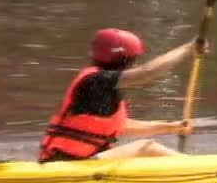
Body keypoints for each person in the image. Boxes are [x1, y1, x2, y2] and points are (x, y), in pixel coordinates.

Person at [39, 28, 206, 163]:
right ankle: (202, 170)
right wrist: (187, 49)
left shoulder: (97, 85)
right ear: (125, 59)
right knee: (146, 148)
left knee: (145, 155)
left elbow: (121, 127)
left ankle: (192, 166)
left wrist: (171, 127)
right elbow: (146, 73)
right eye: (134, 59)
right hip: (65, 164)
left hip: (73, 161)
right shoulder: (96, 80)